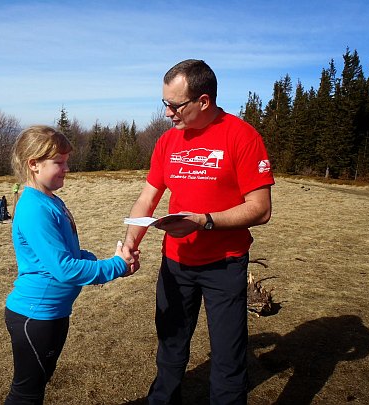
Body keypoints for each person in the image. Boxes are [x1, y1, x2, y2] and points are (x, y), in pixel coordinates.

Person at [123, 59, 275, 404]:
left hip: (224, 263)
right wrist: (132, 242)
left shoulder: (242, 136)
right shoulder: (167, 142)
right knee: (171, 346)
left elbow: (261, 208)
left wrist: (205, 220)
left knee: (228, 356)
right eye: (164, 103)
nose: (167, 113)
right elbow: (148, 197)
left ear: (203, 101)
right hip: (176, 264)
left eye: (174, 105)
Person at [4, 125, 136, 404]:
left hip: (52, 313)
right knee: (26, 394)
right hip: (36, 315)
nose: (66, 169)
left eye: (67, 162)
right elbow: (64, 268)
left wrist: (107, 263)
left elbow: (69, 254)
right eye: (59, 163)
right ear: (34, 165)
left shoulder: (50, 200)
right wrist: (115, 267)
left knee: (35, 387)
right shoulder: (34, 208)